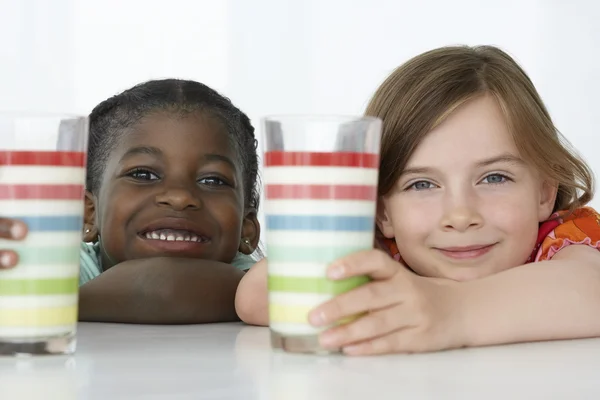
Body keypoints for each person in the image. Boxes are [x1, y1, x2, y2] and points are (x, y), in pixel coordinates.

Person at [234, 45, 600, 355]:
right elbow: (256, 295)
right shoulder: (383, 254)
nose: (460, 215)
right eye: (422, 185)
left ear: (544, 192)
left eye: (494, 177)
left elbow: (590, 289)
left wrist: (451, 311)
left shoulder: (563, 241)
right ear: (381, 211)